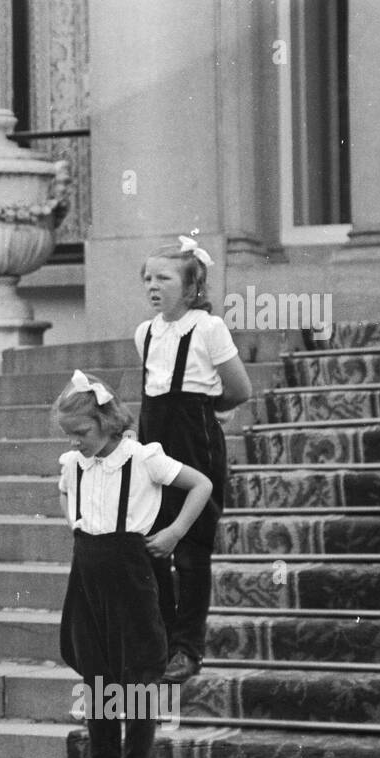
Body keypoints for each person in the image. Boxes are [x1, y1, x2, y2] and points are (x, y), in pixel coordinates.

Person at [56, 370, 211, 758]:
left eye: (81, 433)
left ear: (106, 422)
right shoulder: (74, 465)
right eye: (69, 435)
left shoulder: (144, 458)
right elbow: (65, 494)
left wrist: (175, 532)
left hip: (133, 578)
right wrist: (76, 523)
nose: (75, 443)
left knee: (138, 682)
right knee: (99, 680)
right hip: (87, 578)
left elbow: (201, 485)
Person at [137, 234, 253, 684]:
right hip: (154, 447)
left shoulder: (208, 328)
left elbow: (239, 389)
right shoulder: (145, 332)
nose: (152, 285)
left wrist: (205, 414)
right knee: (152, 547)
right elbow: (152, 394)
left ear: (190, 288)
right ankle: (163, 641)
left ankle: (189, 648)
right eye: (147, 277)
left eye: (163, 277)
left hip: (196, 444)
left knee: (190, 551)